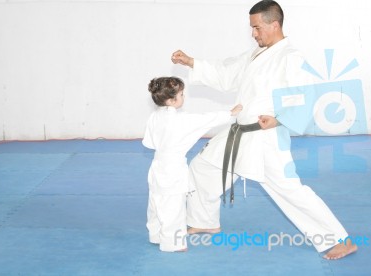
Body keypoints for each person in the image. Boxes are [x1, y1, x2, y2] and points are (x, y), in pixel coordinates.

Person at [171, 0, 357, 259]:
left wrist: (279, 119)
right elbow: (226, 72)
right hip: (240, 131)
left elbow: (305, 96)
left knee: (288, 190)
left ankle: (339, 240)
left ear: (274, 24)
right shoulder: (256, 54)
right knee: (203, 168)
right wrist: (192, 62)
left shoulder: (291, 57)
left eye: (257, 27)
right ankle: (204, 219)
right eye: (252, 28)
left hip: (265, 137)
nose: (253, 33)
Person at [142, 76, 242, 252]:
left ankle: (156, 235)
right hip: (173, 167)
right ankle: (173, 243)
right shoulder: (182, 120)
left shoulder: (155, 117)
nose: (183, 97)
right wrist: (230, 113)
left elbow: (149, 143)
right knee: (173, 205)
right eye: (181, 94)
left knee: (156, 201)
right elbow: (205, 119)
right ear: (172, 100)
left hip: (157, 165)